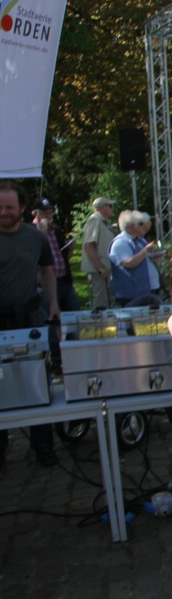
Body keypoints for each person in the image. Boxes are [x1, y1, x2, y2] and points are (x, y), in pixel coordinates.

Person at [0, 181, 58, 467]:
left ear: (22, 208)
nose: (4, 212)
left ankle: (43, 445)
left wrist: (53, 303)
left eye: (9, 207)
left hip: (29, 317)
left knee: (38, 379)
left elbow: (47, 271)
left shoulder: (36, 238)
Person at [32, 198, 79, 312]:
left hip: (64, 281)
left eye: (51, 211)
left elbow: (63, 257)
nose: (48, 215)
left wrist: (70, 248)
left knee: (73, 312)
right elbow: (33, 256)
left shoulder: (55, 230)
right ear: (35, 213)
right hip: (44, 284)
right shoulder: (31, 231)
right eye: (44, 212)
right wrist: (42, 232)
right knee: (50, 317)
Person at [109, 210, 160, 307]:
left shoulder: (140, 240)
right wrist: (145, 251)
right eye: (140, 224)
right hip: (131, 294)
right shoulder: (120, 243)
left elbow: (143, 258)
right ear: (131, 226)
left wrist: (153, 258)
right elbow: (128, 263)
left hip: (148, 289)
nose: (143, 226)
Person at [80, 197, 117, 310]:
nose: (112, 209)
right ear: (102, 208)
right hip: (99, 271)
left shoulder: (103, 222)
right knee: (101, 303)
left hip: (105, 269)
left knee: (107, 301)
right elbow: (88, 246)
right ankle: (101, 326)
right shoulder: (94, 221)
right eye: (110, 206)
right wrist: (100, 267)